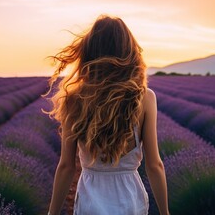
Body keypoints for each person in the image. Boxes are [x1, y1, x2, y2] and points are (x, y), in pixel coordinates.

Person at [44, 15, 169, 215]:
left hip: (90, 202)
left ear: (89, 52)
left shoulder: (74, 99)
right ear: (129, 51)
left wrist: (52, 213)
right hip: (130, 202)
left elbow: (66, 166)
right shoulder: (144, 98)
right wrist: (165, 212)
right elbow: (155, 166)